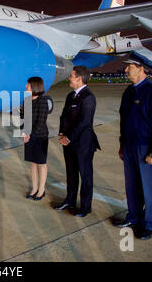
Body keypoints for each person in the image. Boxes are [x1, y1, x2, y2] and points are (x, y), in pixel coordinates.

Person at [112, 57, 152, 240]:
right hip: (129, 146)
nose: (126, 70)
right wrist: (122, 145)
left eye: (129, 67)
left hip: (146, 147)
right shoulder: (128, 92)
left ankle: (150, 224)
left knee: (148, 187)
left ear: (141, 69)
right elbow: (124, 121)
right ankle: (134, 217)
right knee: (132, 186)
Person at [53, 66, 100, 217]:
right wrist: (61, 132)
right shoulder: (70, 96)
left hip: (83, 144)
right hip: (69, 142)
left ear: (79, 79)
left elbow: (84, 122)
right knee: (71, 174)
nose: (69, 78)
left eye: (71, 76)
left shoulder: (88, 97)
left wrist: (68, 137)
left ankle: (85, 207)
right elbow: (63, 116)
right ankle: (70, 200)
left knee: (85, 176)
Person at [20, 77, 51, 201]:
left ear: (34, 87)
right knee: (33, 163)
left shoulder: (42, 101)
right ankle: (34, 188)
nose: (26, 87)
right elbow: (22, 118)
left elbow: (41, 122)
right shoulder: (27, 100)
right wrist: (23, 132)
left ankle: (41, 190)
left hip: (40, 137)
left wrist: (29, 135)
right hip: (28, 136)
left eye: (28, 85)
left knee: (41, 164)